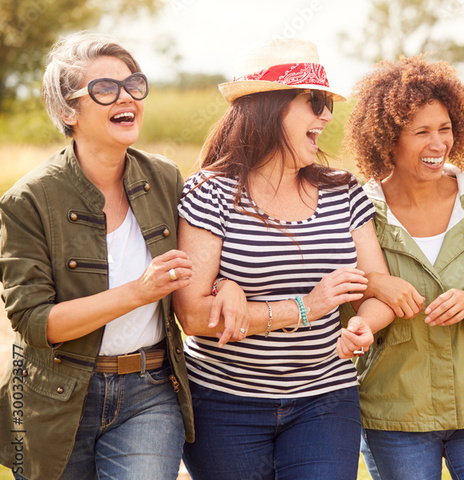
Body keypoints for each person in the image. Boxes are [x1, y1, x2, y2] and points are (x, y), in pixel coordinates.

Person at [173, 38, 395, 480]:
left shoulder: (343, 190)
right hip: (223, 403)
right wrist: (305, 308)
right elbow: (194, 316)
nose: (327, 115)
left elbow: (379, 289)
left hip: (325, 398)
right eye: (314, 101)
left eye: (327, 102)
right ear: (269, 107)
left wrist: (362, 324)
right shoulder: (209, 192)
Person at [0, 32, 194, 479]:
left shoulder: (165, 178)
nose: (126, 97)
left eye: (133, 84)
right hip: (57, 399)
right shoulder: (28, 199)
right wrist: (138, 292)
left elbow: (198, 270)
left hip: (150, 391)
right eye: (105, 89)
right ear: (68, 111)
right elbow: (34, 324)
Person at [341, 56, 464, 480]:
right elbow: (348, 301)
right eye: (422, 133)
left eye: (445, 129)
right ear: (388, 140)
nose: (438, 144)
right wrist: (374, 293)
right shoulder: (360, 210)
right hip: (397, 414)